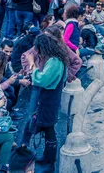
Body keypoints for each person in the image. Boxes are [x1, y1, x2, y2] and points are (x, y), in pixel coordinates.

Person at [21, 34, 69, 168]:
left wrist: (32, 64)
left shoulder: (54, 62)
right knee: (48, 128)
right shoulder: (57, 59)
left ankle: (24, 153)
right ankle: (48, 158)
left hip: (48, 99)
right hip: (51, 98)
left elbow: (42, 79)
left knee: (35, 125)